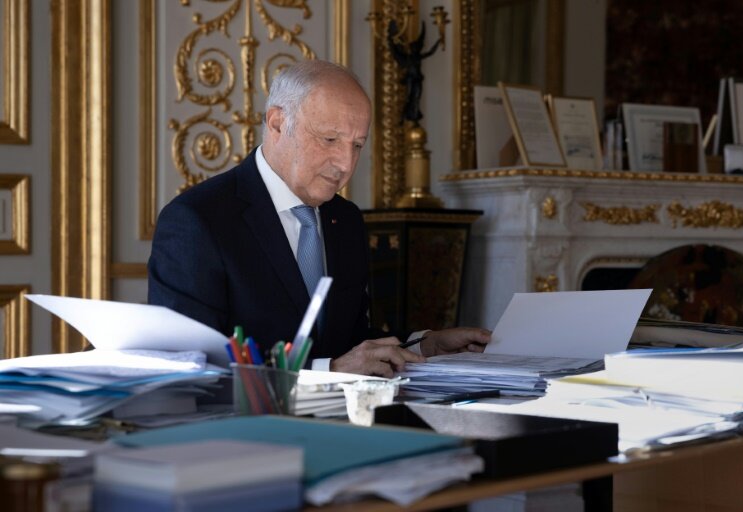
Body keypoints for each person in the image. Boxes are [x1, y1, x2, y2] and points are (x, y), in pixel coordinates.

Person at [148, 59, 490, 377]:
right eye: (330, 139)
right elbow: (192, 368)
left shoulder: (347, 220)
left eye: (357, 145)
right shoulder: (197, 221)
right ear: (278, 123)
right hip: (246, 435)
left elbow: (349, 341)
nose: (345, 163)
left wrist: (425, 344)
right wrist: (330, 372)